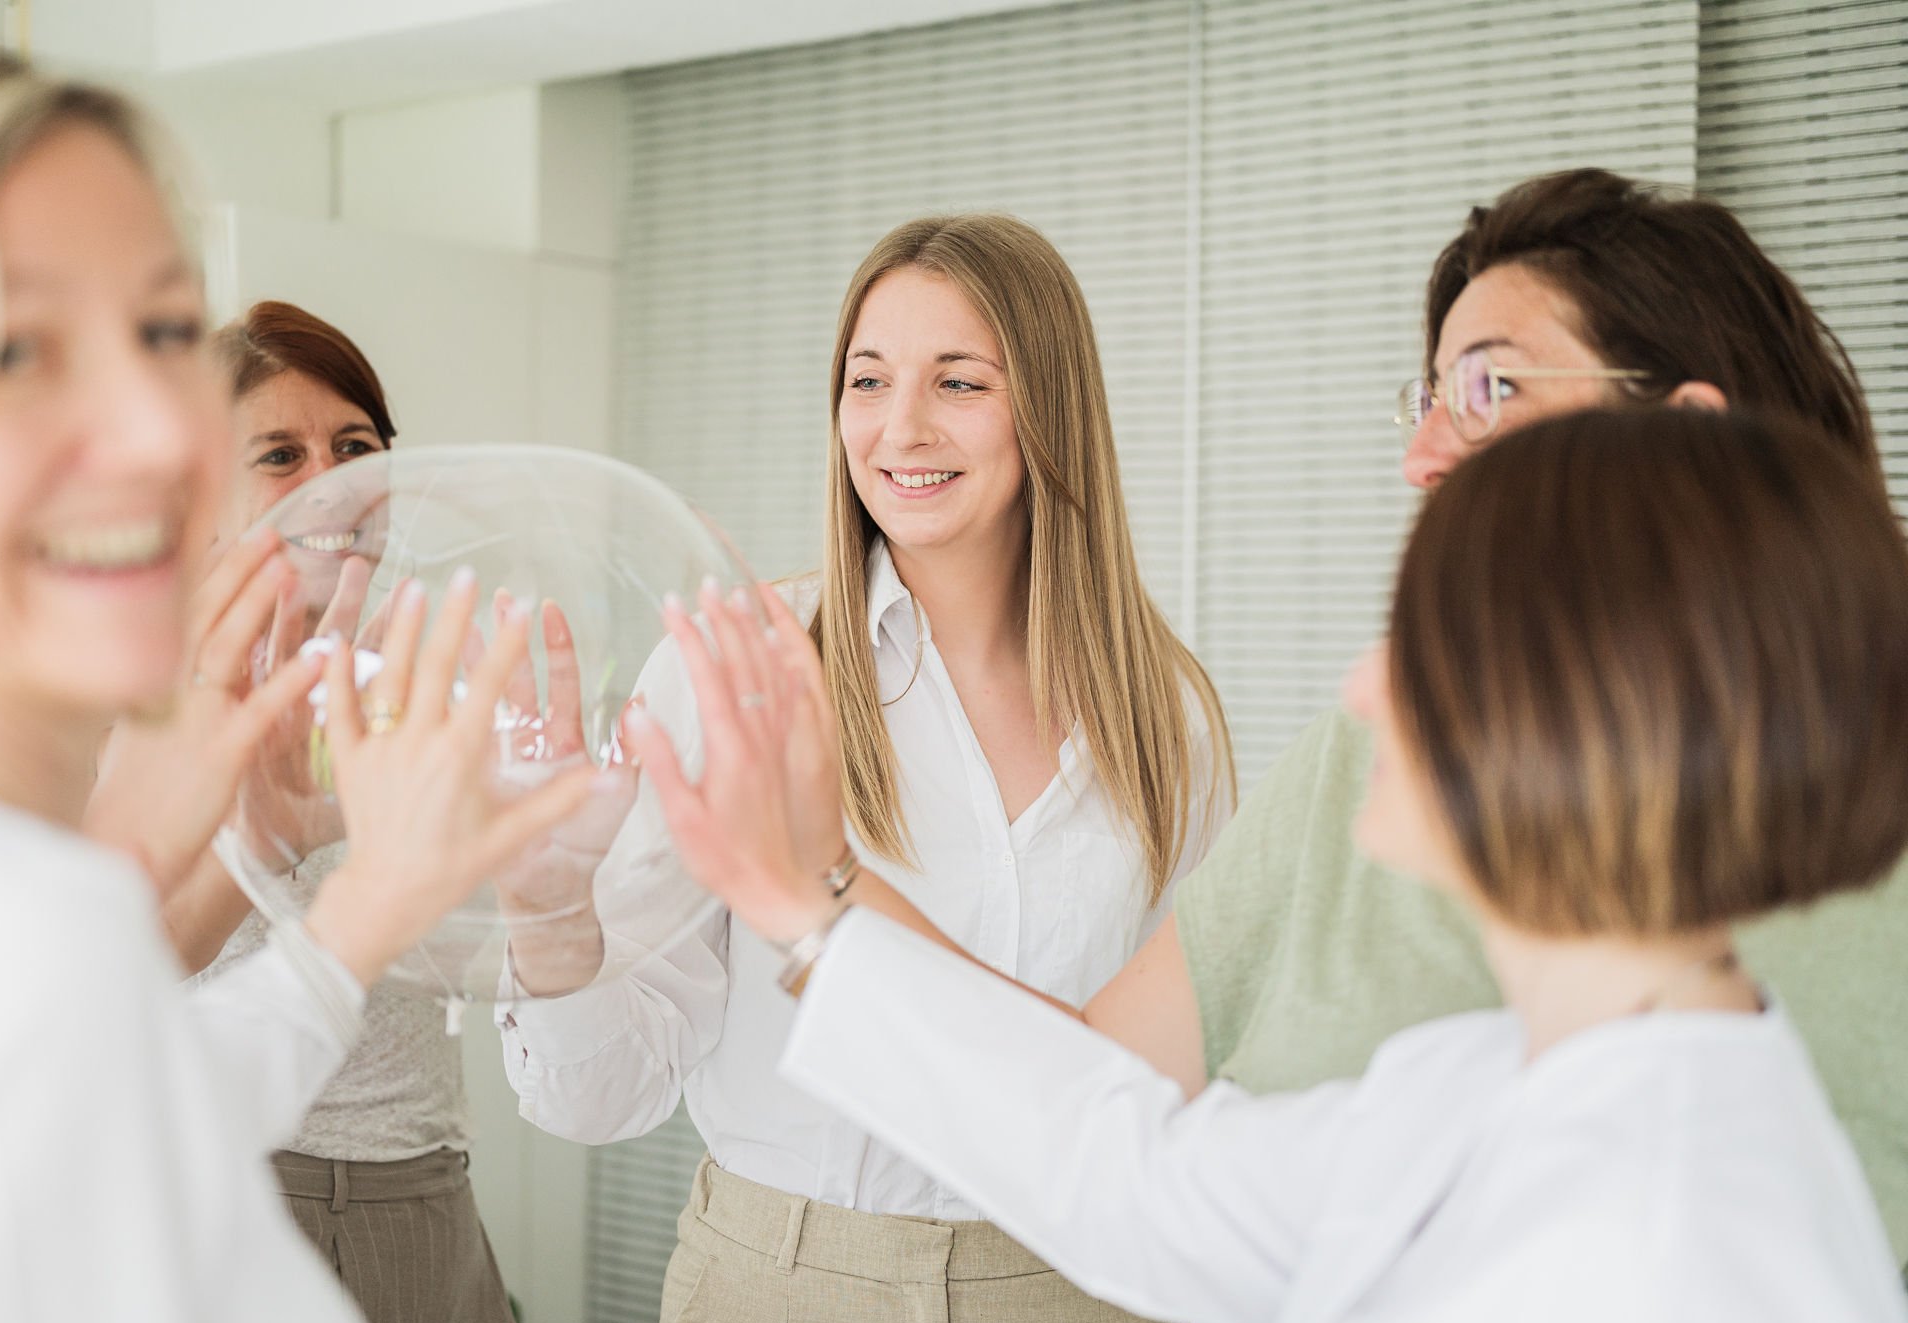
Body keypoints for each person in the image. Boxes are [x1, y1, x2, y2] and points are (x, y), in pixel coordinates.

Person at [651, 169, 1908, 1264]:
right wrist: (808, 889)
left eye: (1487, 384)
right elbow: (1123, 1138)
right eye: (1420, 394)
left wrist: (811, 896)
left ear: (1685, 438)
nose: (1422, 451)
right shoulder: (1422, 1037)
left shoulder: (1717, 1193)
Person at [0, 39, 587, 1323]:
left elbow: (108, 1108)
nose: (154, 427)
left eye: (160, 333)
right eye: (21, 347)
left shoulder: (17, 890)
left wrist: (328, 903)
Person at [497, 214, 1231, 1323]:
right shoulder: (739, 666)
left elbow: (1170, 1074)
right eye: (868, 379)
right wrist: (548, 914)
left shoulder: (1164, 721)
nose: (901, 427)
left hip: (1079, 1305)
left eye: (959, 381)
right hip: (779, 1300)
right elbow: (601, 1096)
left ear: (1050, 404)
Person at [149, 301, 522, 1323]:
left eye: (356, 447)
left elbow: (489, 935)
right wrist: (265, 836)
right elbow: (123, 966)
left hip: (433, 1188)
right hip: (253, 1189)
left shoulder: (426, 671)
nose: (333, 479)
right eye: (280, 453)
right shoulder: (143, 698)